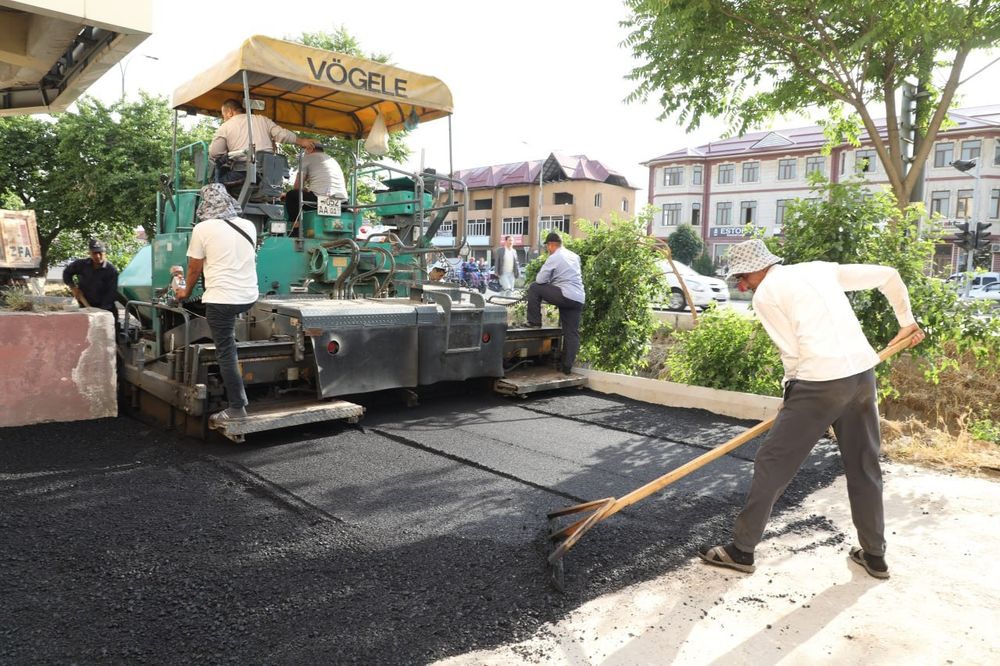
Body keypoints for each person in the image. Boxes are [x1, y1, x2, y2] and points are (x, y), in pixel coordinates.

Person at [698, 239, 925, 580]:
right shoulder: (819, 270)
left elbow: (793, 354)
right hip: (862, 377)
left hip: (819, 383)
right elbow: (889, 276)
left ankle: (741, 550)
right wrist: (906, 321)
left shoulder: (765, 296)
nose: (741, 285)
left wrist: (793, 398)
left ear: (759, 267)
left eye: (742, 277)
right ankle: (875, 555)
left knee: (772, 462)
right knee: (864, 465)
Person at [173, 184, 260, 423]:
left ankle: (237, 407)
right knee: (230, 337)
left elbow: (194, 269)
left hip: (222, 301)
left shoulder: (202, 228)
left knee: (226, 352)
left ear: (205, 205)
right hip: (249, 297)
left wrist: (183, 293)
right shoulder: (249, 225)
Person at [526, 231, 585, 374]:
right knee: (572, 333)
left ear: (551, 245)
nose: (547, 249)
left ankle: (534, 322)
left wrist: (550, 282)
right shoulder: (574, 256)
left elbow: (540, 280)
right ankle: (566, 367)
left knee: (534, 287)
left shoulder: (555, 256)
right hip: (578, 298)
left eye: (547, 247)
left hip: (564, 295)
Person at [209, 98, 315, 169]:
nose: (224, 119)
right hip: (269, 171)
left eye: (224, 116)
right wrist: (301, 141)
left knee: (218, 174)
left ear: (230, 112)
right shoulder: (263, 119)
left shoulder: (225, 126)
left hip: (242, 172)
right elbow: (281, 134)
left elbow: (215, 153)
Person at [284, 143, 348, 224]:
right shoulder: (331, 159)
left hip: (322, 202)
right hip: (343, 204)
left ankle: (295, 228)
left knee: (291, 195)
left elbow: (297, 187)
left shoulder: (307, 158)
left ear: (310, 148)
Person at [63, 238, 119, 330]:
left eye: (100, 253)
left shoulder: (111, 271)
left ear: (105, 253)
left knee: (107, 336)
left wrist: (98, 313)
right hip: (84, 307)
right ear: (89, 253)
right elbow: (67, 273)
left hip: (106, 310)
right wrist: (73, 287)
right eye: (94, 253)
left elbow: (111, 294)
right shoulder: (82, 264)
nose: (97, 256)